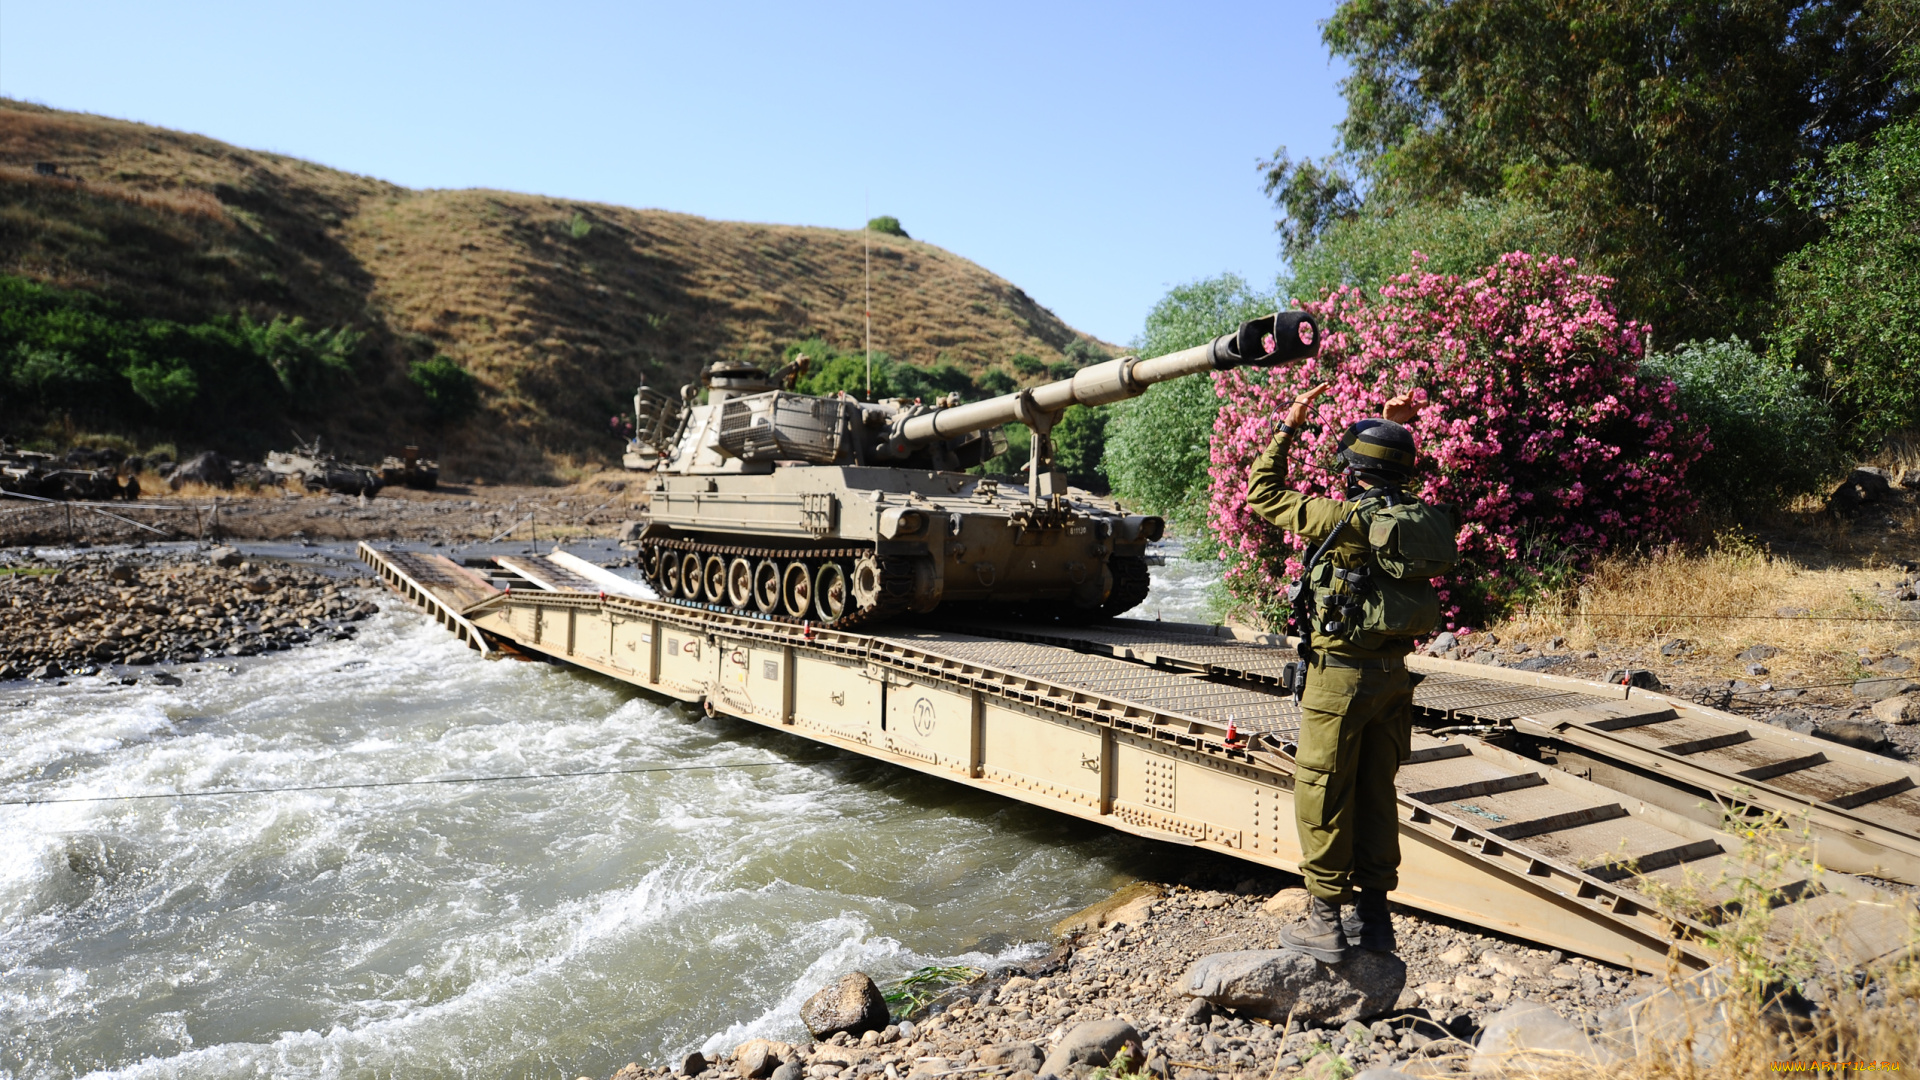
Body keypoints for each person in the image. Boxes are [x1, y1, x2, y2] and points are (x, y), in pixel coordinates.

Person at [1243, 381, 1424, 964]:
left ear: (1353, 471)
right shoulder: (1418, 519)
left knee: (1321, 790)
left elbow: (1261, 491)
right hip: (1394, 678)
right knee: (1376, 792)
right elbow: (1387, 468)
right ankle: (1375, 923)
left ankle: (1325, 922)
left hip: (1338, 678)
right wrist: (1392, 429)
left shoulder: (1340, 519)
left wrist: (1290, 423)